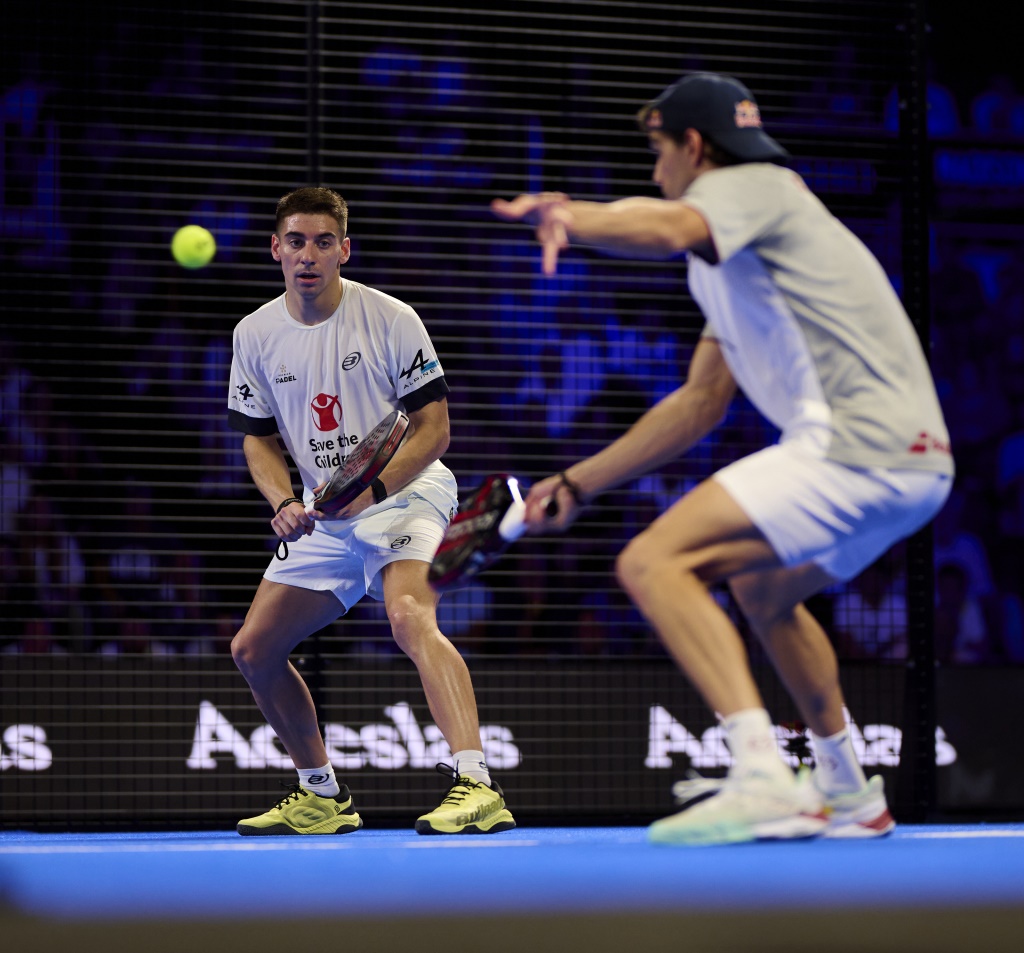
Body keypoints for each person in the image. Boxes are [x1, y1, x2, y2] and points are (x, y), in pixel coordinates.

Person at [491, 72, 954, 846]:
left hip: (855, 441)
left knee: (653, 562)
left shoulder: (758, 186)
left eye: (657, 149)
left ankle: (763, 775)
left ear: (694, 146)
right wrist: (579, 481)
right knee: (762, 589)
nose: (654, 169)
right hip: (915, 465)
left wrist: (572, 215)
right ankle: (846, 788)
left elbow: (667, 223)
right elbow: (700, 402)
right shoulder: (734, 259)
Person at [227, 186, 514, 836]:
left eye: (323, 241)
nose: (309, 254)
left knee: (410, 614)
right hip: (327, 513)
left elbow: (434, 428)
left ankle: (477, 783)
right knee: (254, 649)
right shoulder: (255, 334)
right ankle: (322, 793)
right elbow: (257, 437)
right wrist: (283, 500)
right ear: (276, 249)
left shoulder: (389, 317)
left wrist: (375, 492)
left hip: (405, 493)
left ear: (343, 250)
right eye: (296, 241)